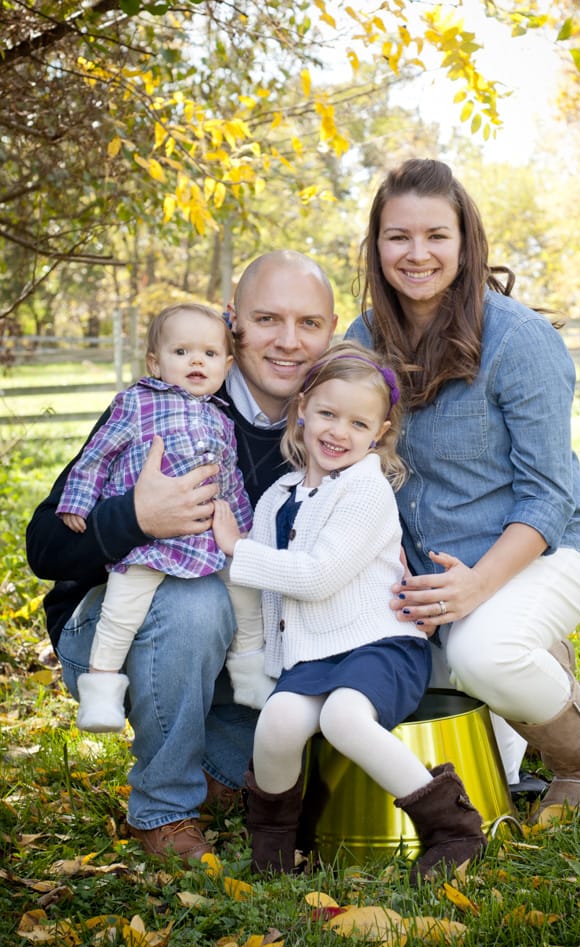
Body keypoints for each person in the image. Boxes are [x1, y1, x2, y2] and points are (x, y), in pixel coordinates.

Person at [25, 250, 338, 866]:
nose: (288, 341)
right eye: (267, 319)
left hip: (247, 646)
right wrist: (136, 517)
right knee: (196, 601)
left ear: (331, 331)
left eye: (309, 323)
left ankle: (219, 767)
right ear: (233, 324)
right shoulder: (162, 402)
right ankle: (164, 808)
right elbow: (45, 546)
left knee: (326, 725)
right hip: (116, 629)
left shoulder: (333, 421)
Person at [346, 158, 580, 826]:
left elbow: (548, 498)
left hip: (542, 554)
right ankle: (528, 658)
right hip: (427, 573)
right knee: (420, 714)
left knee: (481, 653)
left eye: (436, 235)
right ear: (375, 246)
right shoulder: (362, 341)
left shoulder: (519, 340)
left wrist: (475, 590)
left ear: (465, 242)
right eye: (397, 236)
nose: (417, 253)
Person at [213, 343, 487, 881]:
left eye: (358, 423)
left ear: (379, 434)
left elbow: (316, 577)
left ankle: (453, 830)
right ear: (302, 410)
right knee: (277, 723)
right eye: (327, 414)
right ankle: (276, 849)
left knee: (342, 717)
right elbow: (256, 591)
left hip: (379, 645)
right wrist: (253, 658)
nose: (339, 432)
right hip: (310, 655)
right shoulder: (277, 497)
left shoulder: (366, 490)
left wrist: (236, 550)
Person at [55, 302, 273, 733]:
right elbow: (97, 457)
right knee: (123, 607)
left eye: (209, 354)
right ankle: (100, 692)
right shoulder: (135, 403)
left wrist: (242, 534)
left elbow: (228, 484)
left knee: (246, 595)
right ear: (155, 362)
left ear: (226, 366)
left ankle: (250, 674)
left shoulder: (220, 419)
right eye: (182, 352)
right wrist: (78, 503)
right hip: (148, 544)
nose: (196, 361)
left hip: (207, 541)